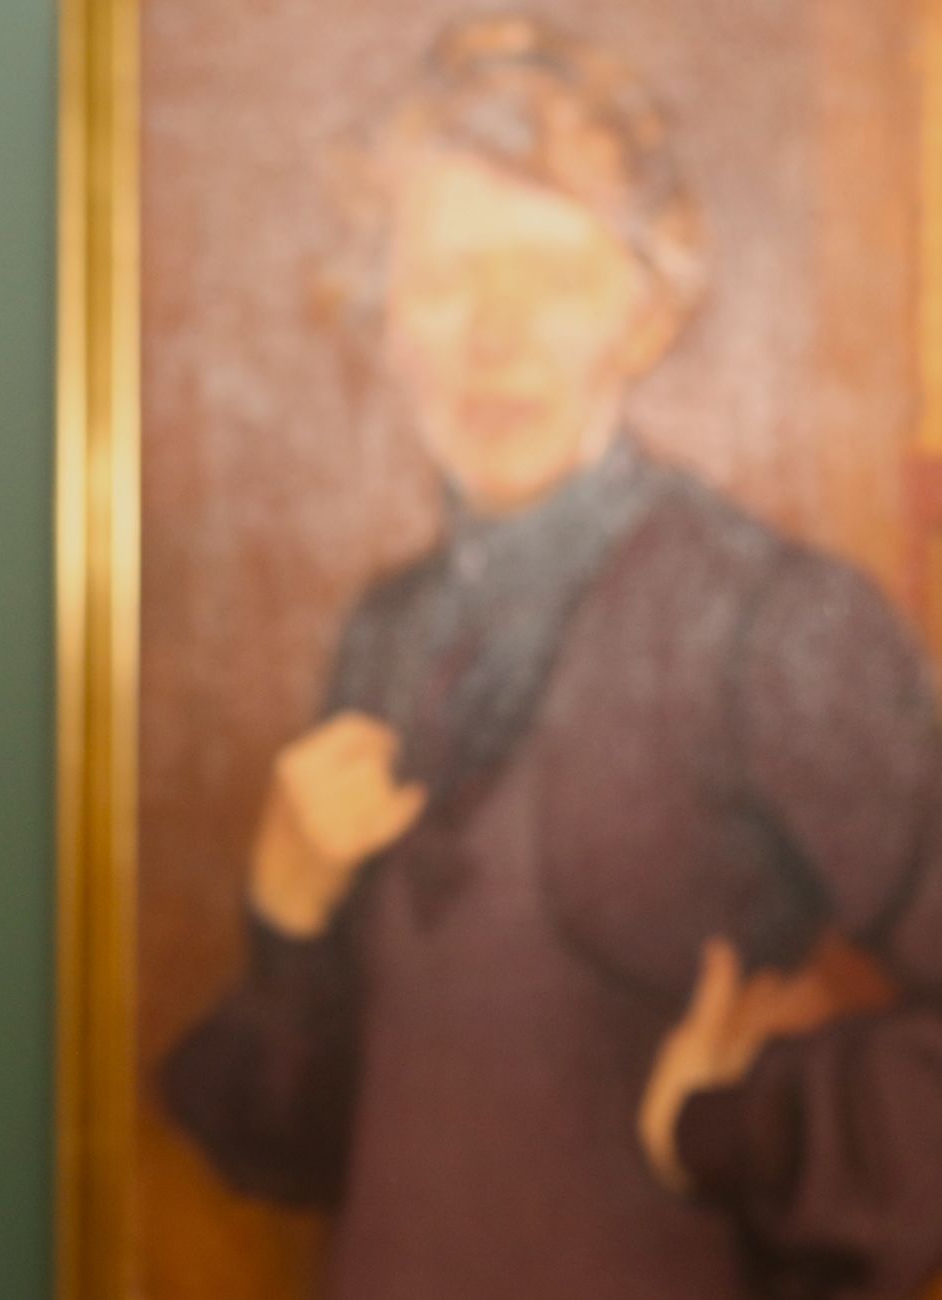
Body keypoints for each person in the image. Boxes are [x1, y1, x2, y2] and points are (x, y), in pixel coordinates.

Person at [161, 16, 942, 1300]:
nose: (496, 332)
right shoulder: (385, 631)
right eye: (445, 276)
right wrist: (287, 916)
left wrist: (745, 1124)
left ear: (644, 314)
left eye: (553, 272)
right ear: (381, 315)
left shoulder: (771, 618)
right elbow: (305, 1146)